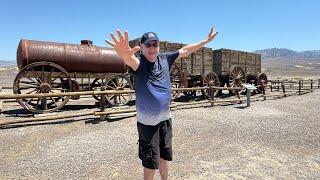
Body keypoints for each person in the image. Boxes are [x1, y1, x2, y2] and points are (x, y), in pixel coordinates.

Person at [106, 26, 218, 180]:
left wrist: (205, 41)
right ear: (142, 47)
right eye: (148, 45)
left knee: (165, 156)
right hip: (147, 124)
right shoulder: (139, 64)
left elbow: (185, 50)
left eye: (155, 44)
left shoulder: (165, 59)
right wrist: (124, 55)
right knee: (150, 162)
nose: (152, 48)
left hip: (165, 119)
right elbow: (129, 60)